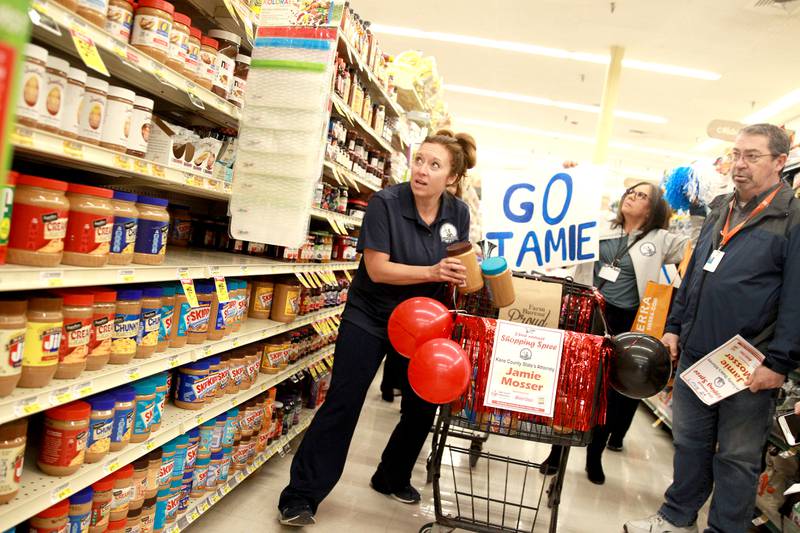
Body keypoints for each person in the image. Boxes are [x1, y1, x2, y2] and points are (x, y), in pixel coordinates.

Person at [278, 130, 477, 526]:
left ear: (451, 179)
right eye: (419, 160)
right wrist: (433, 270)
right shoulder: (385, 203)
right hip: (370, 315)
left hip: (425, 321)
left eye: (434, 165)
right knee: (344, 400)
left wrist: (464, 272)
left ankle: (392, 475)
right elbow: (377, 269)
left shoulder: (457, 214)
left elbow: (459, 259)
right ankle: (301, 495)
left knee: (423, 405)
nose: (422, 170)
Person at [625, 123, 800, 533]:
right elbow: (694, 276)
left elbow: (796, 296)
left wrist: (778, 362)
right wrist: (674, 327)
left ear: (779, 162)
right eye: (737, 154)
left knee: (737, 457)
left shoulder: (792, 219)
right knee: (690, 444)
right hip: (697, 353)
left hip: (748, 362)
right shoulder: (722, 207)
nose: (740, 164)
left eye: (752, 156)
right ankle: (675, 515)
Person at [539, 180, 689, 485]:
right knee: (574, 386)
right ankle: (556, 453)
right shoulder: (600, 228)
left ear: (653, 208)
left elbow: (693, 254)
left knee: (610, 393)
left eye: (642, 195)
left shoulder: (662, 239)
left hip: (629, 323)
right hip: (591, 313)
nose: (632, 197)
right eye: (631, 193)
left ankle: (594, 456)